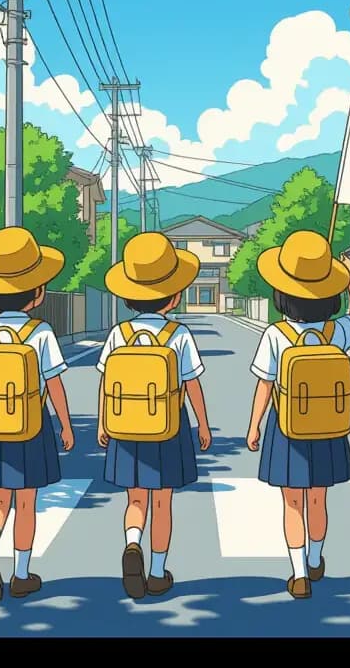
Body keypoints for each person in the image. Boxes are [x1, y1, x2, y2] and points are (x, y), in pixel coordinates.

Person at [246, 230, 350, 599]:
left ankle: (298, 573)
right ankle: (315, 558)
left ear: (282, 294)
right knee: (317, 499)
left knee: (292, 502)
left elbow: (265, 384)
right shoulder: (335, 331)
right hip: (328, 428)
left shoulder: (276, 334)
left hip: (287, 428)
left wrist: (254, 426)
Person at [96, 232, 213, 599]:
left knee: (135, 499)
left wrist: (103, 422)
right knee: (162, 502)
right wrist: (203, 424)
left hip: (126, 427)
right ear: (174, 296)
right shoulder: (179, 335)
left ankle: (132, 543)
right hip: (169, 427)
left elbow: (107, 383)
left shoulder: (120, 333)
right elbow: (192, 384)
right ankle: (158, 572)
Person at [0, 226, 74, 601]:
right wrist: (65, 426)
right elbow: (54, 384)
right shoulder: (40, 332)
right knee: (25, 502)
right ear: (38, 292)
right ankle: (21, 574)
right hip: (30, 426)